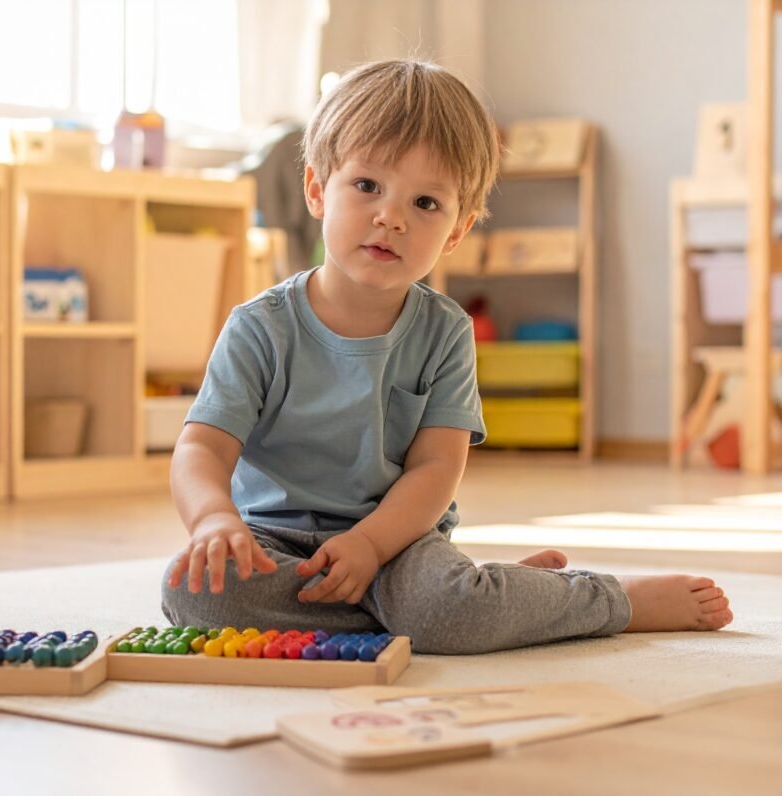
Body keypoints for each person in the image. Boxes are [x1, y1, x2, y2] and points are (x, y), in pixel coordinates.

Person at [161, 59, 733, 654]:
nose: (391, 217)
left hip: (398, 545)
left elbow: (435, 469)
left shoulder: (445, 332)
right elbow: (203, 448)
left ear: (457, 231)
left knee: (438, 605)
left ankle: (606, 600)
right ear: (316, 190)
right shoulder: (259, 327)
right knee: (194, 595)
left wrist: (371, 545)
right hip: (272, 542)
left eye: (426, 203)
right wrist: (213, 520)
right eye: (367, 186)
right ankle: (487, 598)